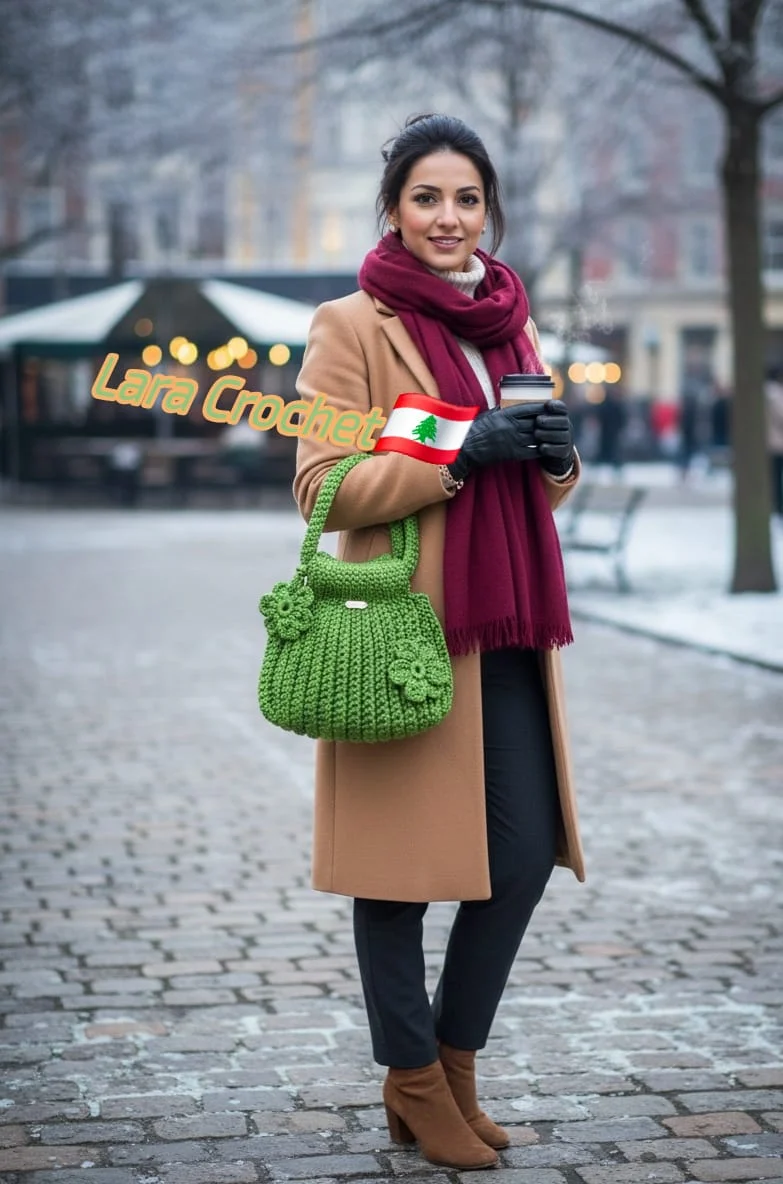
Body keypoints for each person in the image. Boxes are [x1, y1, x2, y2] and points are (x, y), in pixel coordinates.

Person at [293, 113, 585, 1171]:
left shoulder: (509, 319)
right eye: (427, 198)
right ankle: (414, 1080)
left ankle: (451, 1066)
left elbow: (534, 490)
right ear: (393, 210)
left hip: (504, 627)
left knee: (522, 856)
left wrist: (555, 457)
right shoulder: (351, 326)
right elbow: (322, 486)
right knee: (397, 872)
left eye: (466, 198)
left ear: (487, 209)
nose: (448, 217)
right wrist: (457, 451)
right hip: (404, 631)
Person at [766, 366, 783, 517]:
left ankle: (776, 506)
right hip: (778, 443)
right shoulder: (776, 396)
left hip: (772, 443)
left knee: (775, 478)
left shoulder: (767, 395)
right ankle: (779, 508)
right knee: (777, 478)